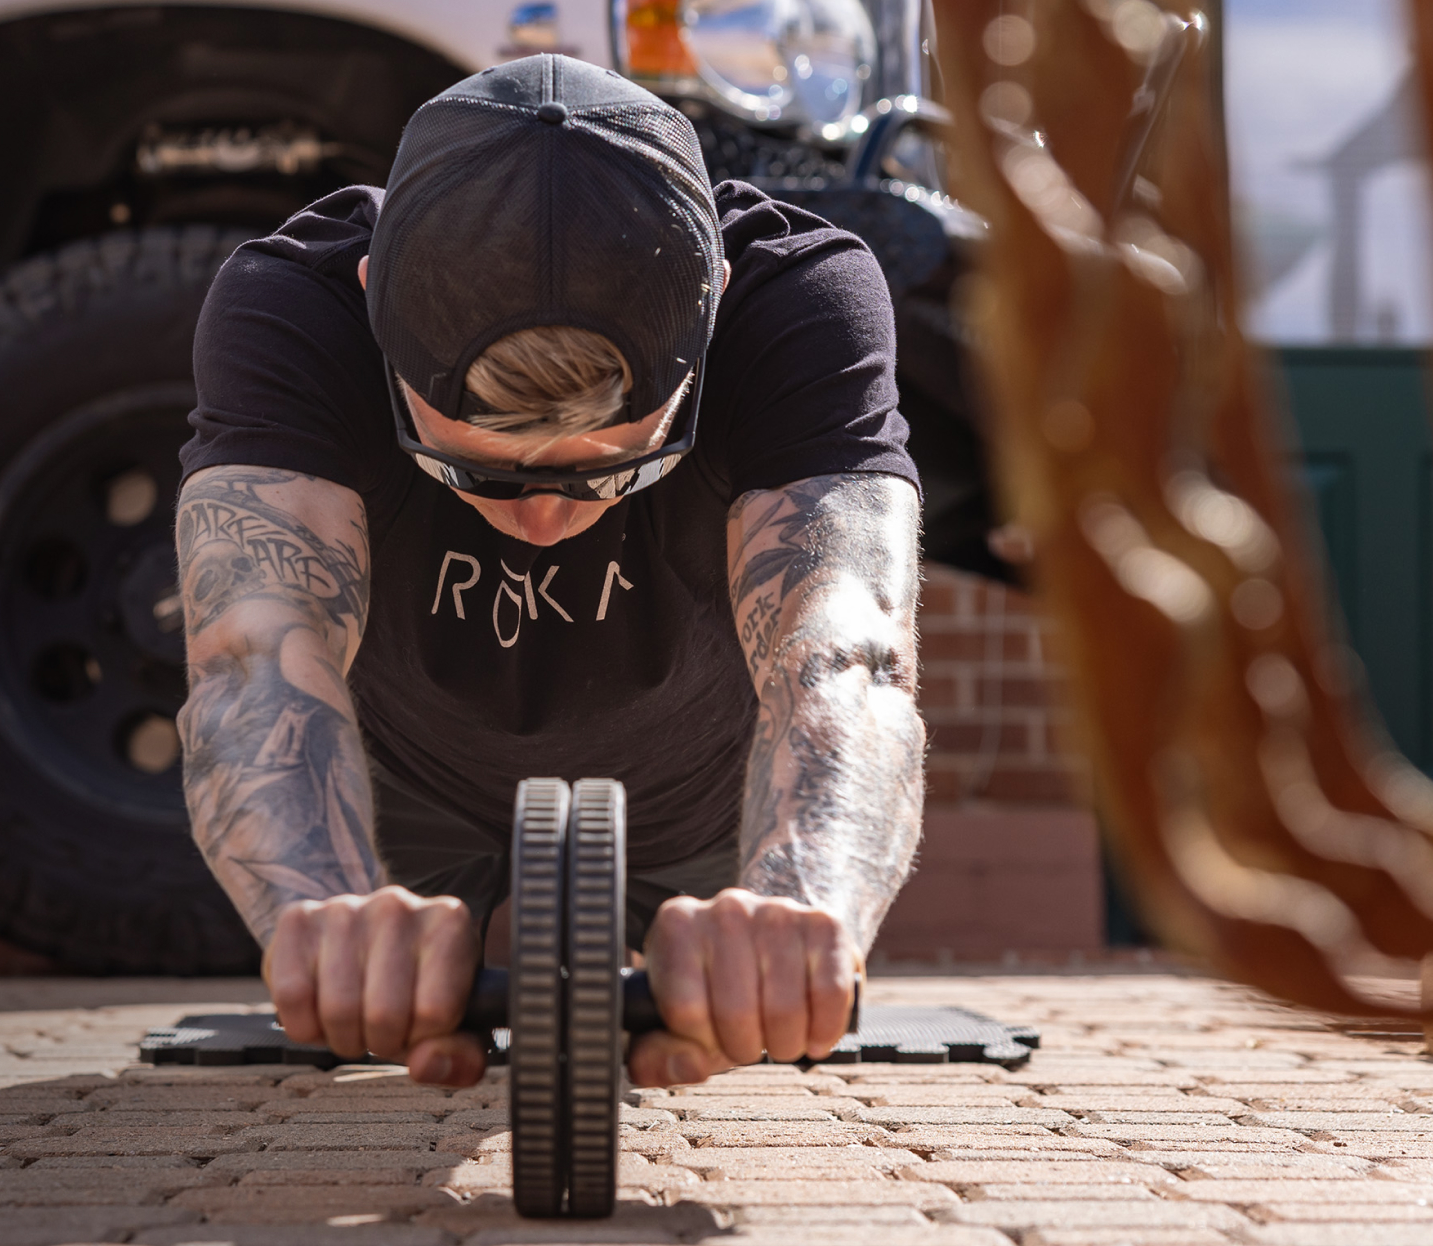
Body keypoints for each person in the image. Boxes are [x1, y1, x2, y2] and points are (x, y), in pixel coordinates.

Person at [174, 54, 924, 1089]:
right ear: (370, 303)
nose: (541, 517)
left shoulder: (802, 300)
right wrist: (325, 914)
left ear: (713, 312)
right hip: (407, 819)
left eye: (621, 467)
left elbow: (847, 658)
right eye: (470, 467)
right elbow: (252, 650)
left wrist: (804, 905)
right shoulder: (288, 307)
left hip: (702, 816)